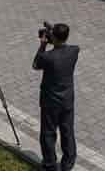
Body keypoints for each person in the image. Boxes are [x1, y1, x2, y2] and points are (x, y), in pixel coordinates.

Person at [34, 23, 79, 171]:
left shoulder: (48, 57)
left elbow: (35, 64)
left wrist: (43, 44)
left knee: (48, 133)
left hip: (50, 101)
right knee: (67, 132)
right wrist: (55, 33)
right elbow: (63, 42)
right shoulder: (74, 51)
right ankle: (68, 163)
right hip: (67, 100)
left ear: (53, 37)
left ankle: (50, 164)